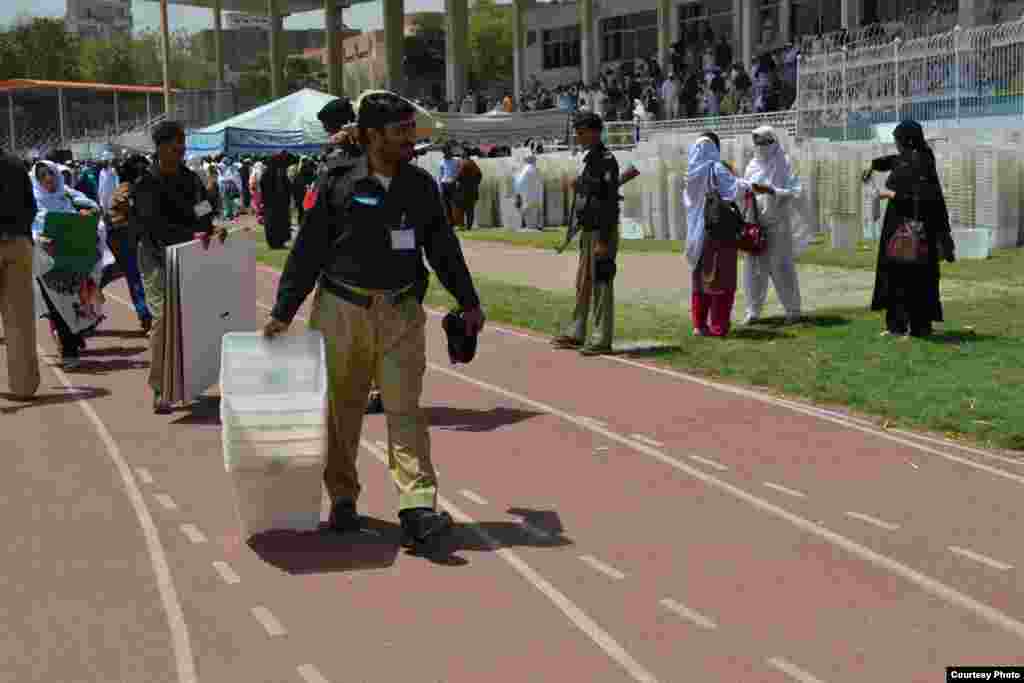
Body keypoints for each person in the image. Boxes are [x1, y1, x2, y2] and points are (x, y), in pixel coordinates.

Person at [263, 91, 485, 549]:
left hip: (401, 312)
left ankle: (417, 506)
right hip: (341, 311)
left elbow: (443, 248)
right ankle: (343, 497)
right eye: (399, 131)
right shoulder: (336, 182)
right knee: (341, 412)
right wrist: (283, 311)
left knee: (406, 410)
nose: (409, 138)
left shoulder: (420, 186)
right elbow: (308, 251)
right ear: (370, 136)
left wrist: (469, 301)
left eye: (410, 129)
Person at [134, 120, 226, 414]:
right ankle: (161, 388)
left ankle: (189, 378)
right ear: (161, 147)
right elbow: (154, 226)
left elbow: (202, 209)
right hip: (156, 258)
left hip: (190, 256)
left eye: (183, 142)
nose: (183, 148)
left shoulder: (191, 179)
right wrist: (193, 234)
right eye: (177, 143)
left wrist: (212, 228)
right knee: (163, 319)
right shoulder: (146, 183)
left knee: (193, 319)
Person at [863, 120, 955, 338]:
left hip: (916, 228)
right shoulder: (908, 158)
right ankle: (896, 326)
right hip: (898, 226)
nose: (896, 145)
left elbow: (921, 197)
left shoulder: (921, 161)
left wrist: (889, 194)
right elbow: (892, 161)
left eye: (898, 141)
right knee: (896, 276)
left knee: (916, 278)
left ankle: (919, 327)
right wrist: (873, 165)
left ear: (907, 140)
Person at [684, 132, 770, 337]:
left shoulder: (690, 173)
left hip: (697, 234)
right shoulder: (715, 168)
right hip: (718, 232)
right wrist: (755, 187)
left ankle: (699, 324)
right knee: (722, 280)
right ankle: (719, 326)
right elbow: (734, 190)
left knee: (700, 281)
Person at [550, 111, 621, 355]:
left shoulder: (606, 160)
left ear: (594, 132)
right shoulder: (592, 160)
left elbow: (610, 202)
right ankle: (577, 331)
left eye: (580, 132)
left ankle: (601, 338)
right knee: (583, 283)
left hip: (603, 232)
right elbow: (592, 193)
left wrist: (603, 239)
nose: (577, 137)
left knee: (601, 284)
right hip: (588, 230)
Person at [31, 160, 104, 365]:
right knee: (57, 307)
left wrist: (88, 216)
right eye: (42, 175)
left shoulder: (69, 196)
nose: (48, 179)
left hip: (72, 260)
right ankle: (70, 352)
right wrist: (40, 239)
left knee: (75, 304)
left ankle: (73, 339)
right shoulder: (32, 201)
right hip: (48, 262)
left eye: (50, 173)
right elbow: (29, 227)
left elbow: (95, 213)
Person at [741, 126, 813, 325]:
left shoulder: (785, 163)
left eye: (764, 143)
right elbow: (746, 191)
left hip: (778, 225)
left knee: (781, 268)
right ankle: (753, 311)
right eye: (757, 144)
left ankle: (793, 310)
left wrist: (772, 191)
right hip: (756, 225)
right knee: (754, 269)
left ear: (772, 143)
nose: (761, 147)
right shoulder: (751, 166)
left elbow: (797, 191)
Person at [0, 150, 41, 399]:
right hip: (18, 243)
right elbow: (31, 206)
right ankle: (24, 386)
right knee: (20, 321)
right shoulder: (16, 164)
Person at [104, 154, 153, 333]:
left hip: (124, 237)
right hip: (123, 238)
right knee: (134, 276)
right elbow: (127, 207)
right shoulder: (126, 189)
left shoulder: (128, 188)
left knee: (117, 274)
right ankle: (145, 315)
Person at [260, 151, 296, 249]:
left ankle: (280, 241)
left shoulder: (281, 172)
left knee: (282, 222)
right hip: (271, 203)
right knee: (272, 223)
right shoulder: (268, 173)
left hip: (281, 203)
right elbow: (264, 188)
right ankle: (274, 243)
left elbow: (287, 187)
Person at [513, 147, 543, 230]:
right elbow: (539, 183)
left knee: (526, 209)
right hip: (533, 195)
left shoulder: (523, 170)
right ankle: (534, 225)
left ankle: (526, 225)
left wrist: (517, 194)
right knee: (532, 210)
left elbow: (517, 182)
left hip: (527, 195)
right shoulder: (534, 170)